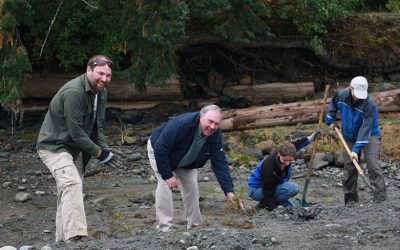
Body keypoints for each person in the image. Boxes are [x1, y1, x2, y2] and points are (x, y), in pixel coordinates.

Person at [36, 55, 124, 243]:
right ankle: (76, 238)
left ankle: (62, 241)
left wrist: (106, 150)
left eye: (108, 75)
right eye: (101, 73)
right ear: (88, 70)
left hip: (75, 149)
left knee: (68, 190)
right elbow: (76, 132)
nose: (104, 78)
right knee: (72, 184)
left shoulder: (102, 92)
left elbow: (97, 127)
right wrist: (99, 153)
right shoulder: (74, 92)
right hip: (54, 146)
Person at [147, 104, 242, 232]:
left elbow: (220, 164)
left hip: (186, 159)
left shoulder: (215, 135)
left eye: (217, 124)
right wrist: (168, 176)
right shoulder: (182, 124)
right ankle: (164, 228)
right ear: (201, 117)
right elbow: (161, 148)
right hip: (160, 151)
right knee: (164, 185)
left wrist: (230, 192)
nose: (213, 127)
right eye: (210, 122)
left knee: (192, 186)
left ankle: (195, 225)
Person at [325, 76, 387, 205]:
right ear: (350, 88)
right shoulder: (341, 95)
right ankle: (351, 201)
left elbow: (365, 129)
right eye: (356, 94)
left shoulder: (370, 104)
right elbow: (332, 106)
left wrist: (356, 150)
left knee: (373, 165)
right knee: (349, 167)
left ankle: (381, 200)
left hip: (370, 135)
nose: (358, 97)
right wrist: (330, 120)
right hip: (349, 135)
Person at [247, 132, 320, 211]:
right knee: (293, 188)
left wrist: (311, 138)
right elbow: (267, 188)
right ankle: (262, 206)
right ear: (279, 154)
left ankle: (282, 204)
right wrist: (271, 207)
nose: (287, 163)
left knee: (293, 208)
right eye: (284, 160)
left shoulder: (287, 150)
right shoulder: (269, 166)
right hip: (256, 190)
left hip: (271, 186)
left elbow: (297, 144)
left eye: (290, 160)